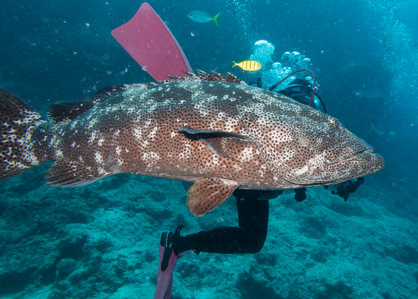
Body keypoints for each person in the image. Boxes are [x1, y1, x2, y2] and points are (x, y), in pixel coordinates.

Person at [154, 78, 365, 299]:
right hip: (251, 181)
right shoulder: (305, 119)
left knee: (247, 233)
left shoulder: (290, 110)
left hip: (246, 175)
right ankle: (179, 245)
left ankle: (179, 241)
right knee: (251, 239)